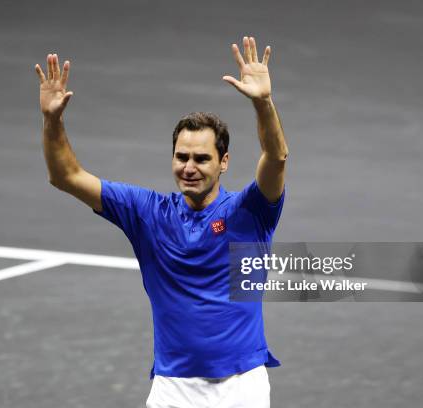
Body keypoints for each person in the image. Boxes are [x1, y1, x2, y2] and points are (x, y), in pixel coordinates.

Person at [35, 35, 288, 408]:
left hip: (241, 388)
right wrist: (52, 120)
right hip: (173, 389)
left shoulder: (251, 211)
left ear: (224, 162)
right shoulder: (147, 212)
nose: (189, 168)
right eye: (181, 156)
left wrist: (264, 103)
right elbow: (65, 176)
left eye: (201, 158)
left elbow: (276, 157)